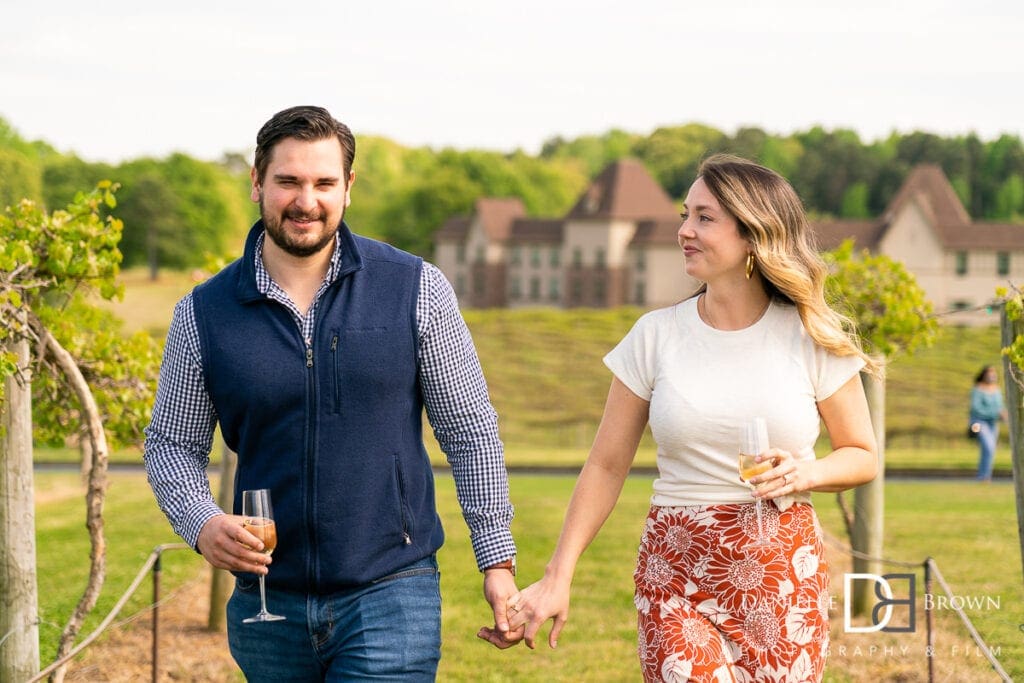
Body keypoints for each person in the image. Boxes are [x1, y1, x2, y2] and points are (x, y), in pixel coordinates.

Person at [144, 105, 518, 681]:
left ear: (348, 187)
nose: (305, 200)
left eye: (323, 182)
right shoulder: (203, 312)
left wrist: (496, 559)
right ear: (256, 183)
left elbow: (470, 432)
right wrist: (200, 522)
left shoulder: (416, 288)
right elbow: (171, 444)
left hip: (392, 592)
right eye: (288, 181)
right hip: (268, 604)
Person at [483, 154, 879, 681]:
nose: (684, 231)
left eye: (705, 218)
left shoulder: (810, 336)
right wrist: (559, 574)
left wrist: (807, 471)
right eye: (684, 214)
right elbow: (605, 465)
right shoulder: (655, 336)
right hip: (676, 571)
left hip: (783, 571)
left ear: (754, 234)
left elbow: (862, 454)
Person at [970, 364, 1007, 481]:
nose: (992, 376)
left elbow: (1000, 406)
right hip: (978, 423)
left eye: (993, 373)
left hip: (993, 423)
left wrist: (1003, 414)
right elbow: (976, 409)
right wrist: (995, 414)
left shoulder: (996, 390)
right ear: (984, 375)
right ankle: (983, 477)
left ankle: (985, 476)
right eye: (989, 373)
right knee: (989, 447)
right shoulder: (978, 389)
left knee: (989, 450)